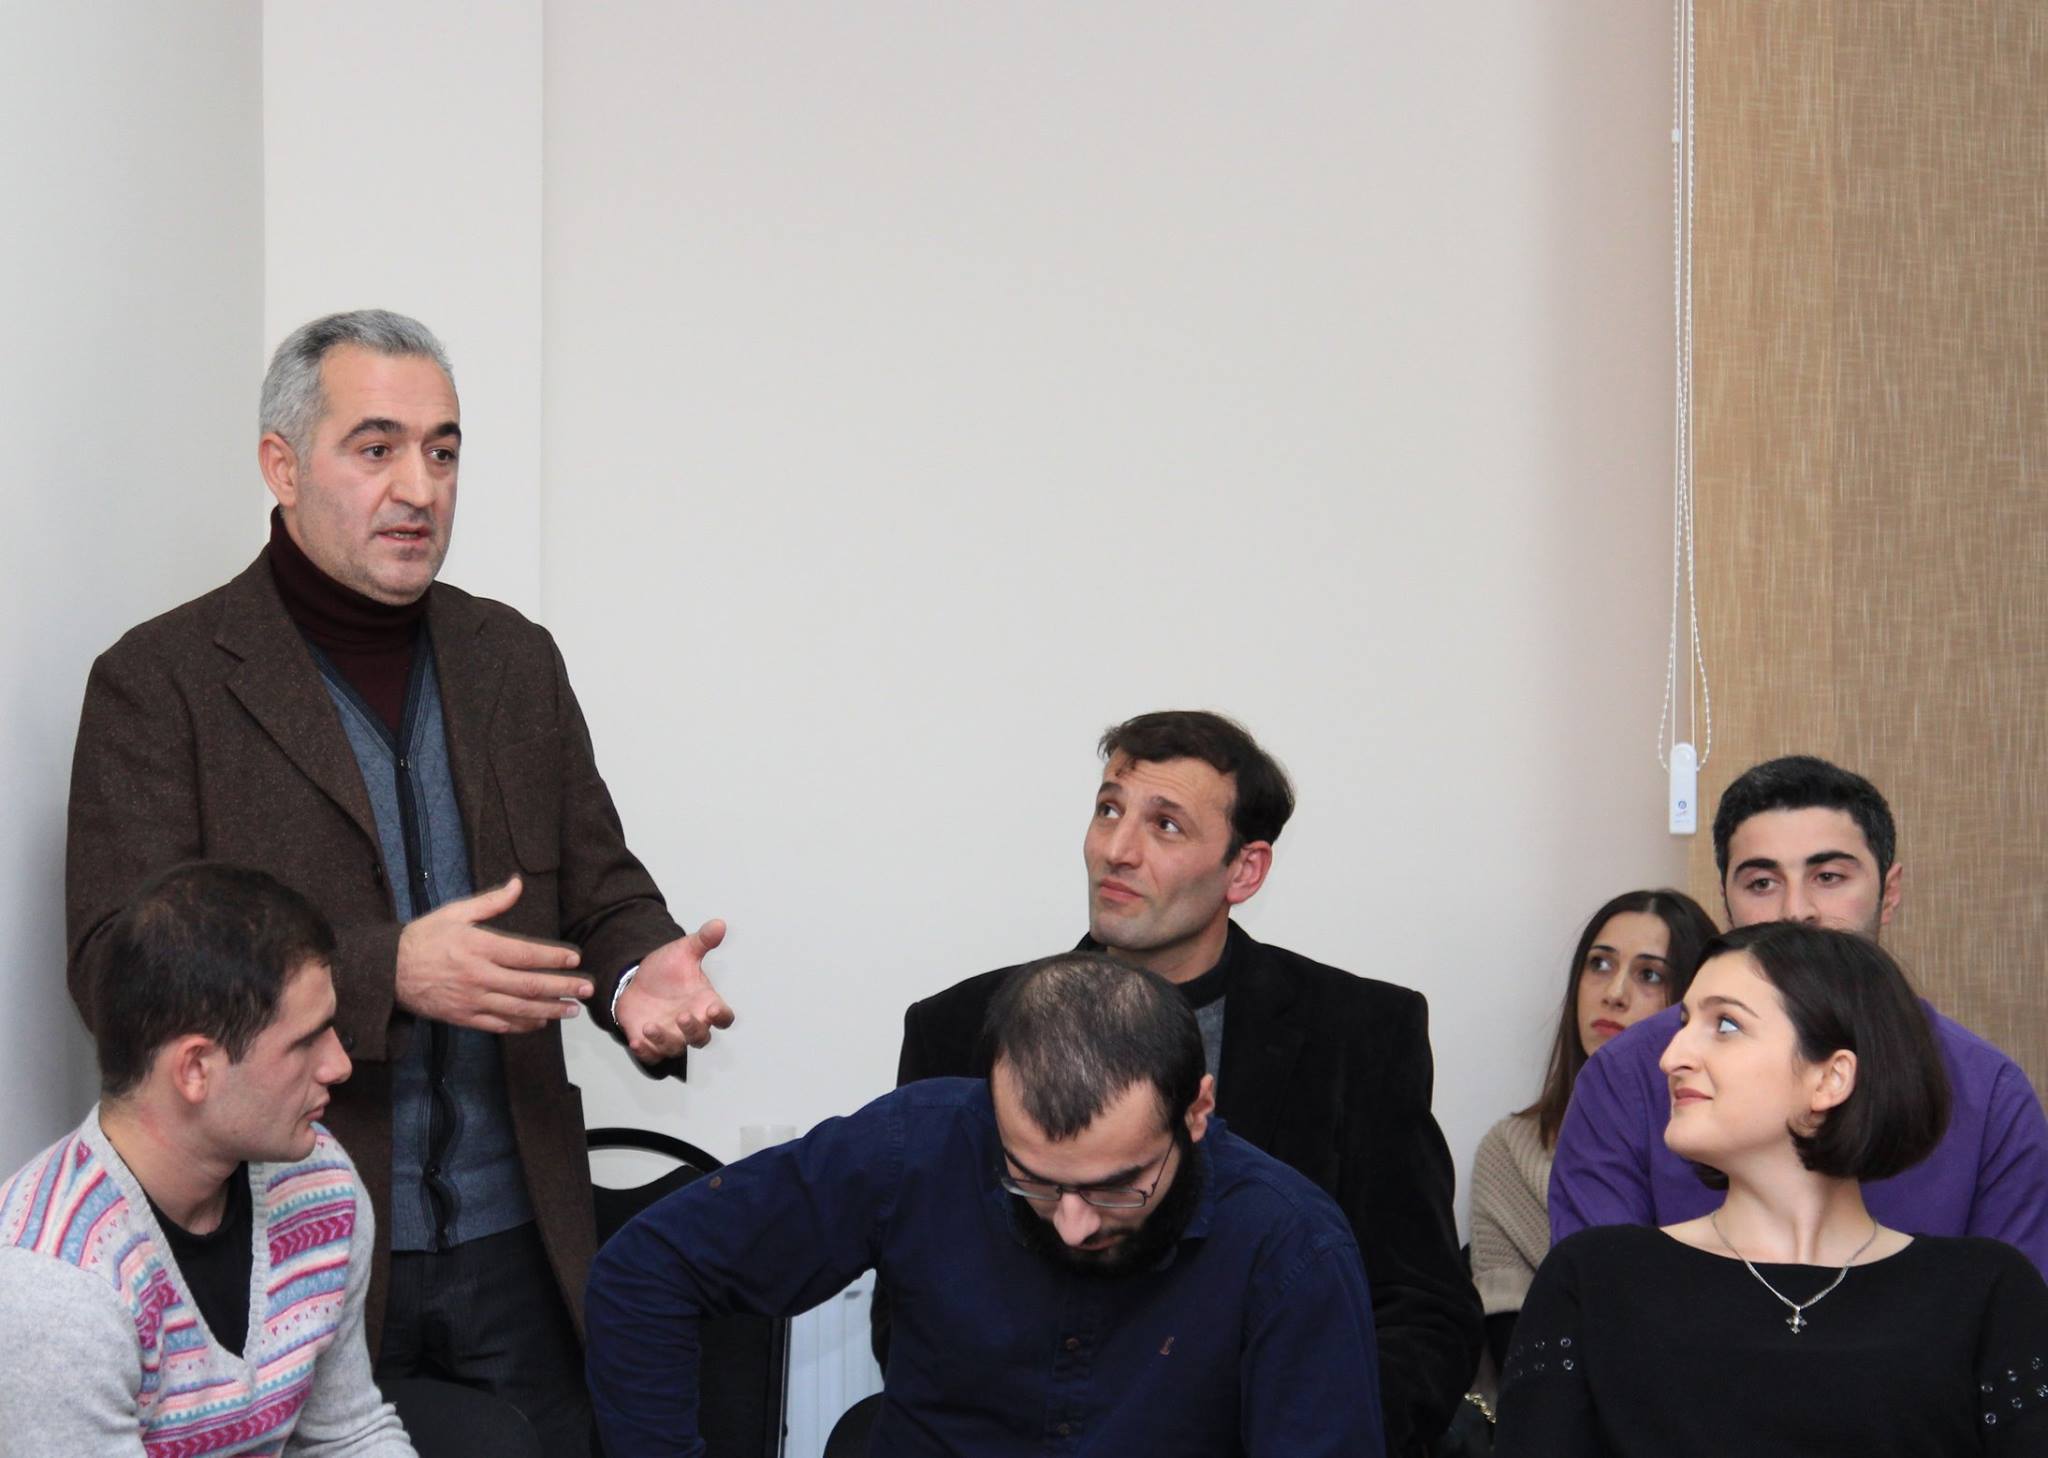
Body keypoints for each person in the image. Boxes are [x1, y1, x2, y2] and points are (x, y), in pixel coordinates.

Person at [64, 309, 733, 1453]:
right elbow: (115, 968)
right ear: (281, 465)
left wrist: (637, 977)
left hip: (520, 1238)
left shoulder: (514, 660)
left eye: (442, 450)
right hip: (285, 1241)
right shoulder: (159, 681)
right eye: (375, 448)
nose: (419, 488)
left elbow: (600, 888)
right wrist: (383, 971)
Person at [892, 710, 1479, 1455]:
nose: (1117, 850)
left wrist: (1305, 1433)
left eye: (1165, 825)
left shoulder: (1359, 1032)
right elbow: (917, 1297)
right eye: (1109, 810)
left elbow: (1421, 1310)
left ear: (1245, 870)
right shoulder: (961, 1028)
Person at [587, 951, 1384, 1458]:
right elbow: (647, 1270)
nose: (1073, 1223)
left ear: (1196, 1112)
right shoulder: (919, 1146)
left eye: (1117, 1186)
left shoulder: (1291, 1249)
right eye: (1032, 1180)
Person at [1496, 922, 2048, 1455]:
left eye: (1725, 1025)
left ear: (1830, 1078)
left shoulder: (1987, 1293)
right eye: (1684, 1022)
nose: (1671, 1056)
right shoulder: (1592, 1278)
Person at [1548, 755, 2048, 1270]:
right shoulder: (1630, 1075)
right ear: (1726, 903)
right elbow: (1598, 1297)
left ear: (1889, 893)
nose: (1795, 911)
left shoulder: (1989, 1094)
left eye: (1828, 876)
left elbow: (2016, 1305)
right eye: (1762, 883)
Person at [0, 863, 415, 1455]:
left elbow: (349, 1434)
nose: (339, 1066)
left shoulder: (321, 1183)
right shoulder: (57, 1287)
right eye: (306, 1041)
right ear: (195, 1069)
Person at [1468, 888, 1716, 1372]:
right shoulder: (1511, 1148)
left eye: (1650, 975)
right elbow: (1517, 1344)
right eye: (1599, 964)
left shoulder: (1719, 1143)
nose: (1614, 993)